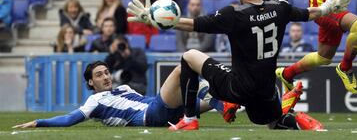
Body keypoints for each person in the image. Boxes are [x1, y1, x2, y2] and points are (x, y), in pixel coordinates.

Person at [127, 0, 351, 130]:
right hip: (266, 90)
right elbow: (307, 14)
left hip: (237, 88)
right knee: (273, 122)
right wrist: (326, 8)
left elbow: (193, 24)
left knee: (189, 57)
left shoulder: (233, 15)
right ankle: (300, 122)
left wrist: (157, 21)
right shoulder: (280, 8)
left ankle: (189, 119)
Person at [13, 61, 240, 128]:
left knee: (203, 95)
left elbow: (147, 100)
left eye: (107, 72)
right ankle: (223, 105)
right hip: (151, 117)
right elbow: (69, 119)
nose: (106, 77)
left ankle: (229, 103)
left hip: (163, 111)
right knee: (184, 68)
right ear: (91, 82)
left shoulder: (123, 88)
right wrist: (38, 122)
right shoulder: (94, 101)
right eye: (100, 75)